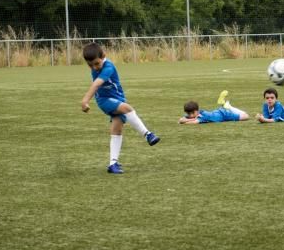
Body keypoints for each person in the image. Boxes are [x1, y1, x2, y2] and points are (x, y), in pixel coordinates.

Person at [80, 42, 160, 175]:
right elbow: (96, 85)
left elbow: (97, 83)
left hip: (118, 98)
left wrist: (86, 100)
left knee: (117, 129)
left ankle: (113, 164)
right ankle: (148, 135)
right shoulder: (101, 67)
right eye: (90, 65)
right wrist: (85, 100)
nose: (94, 68)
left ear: (104, 56)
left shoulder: (109, 67)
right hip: (104, 101)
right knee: (127, 109)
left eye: (96, 64)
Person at [179, 91, 251, 124]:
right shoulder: (195, 114)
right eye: (189, 113)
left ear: (197, 111)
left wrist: (189, 120)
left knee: (246, 116)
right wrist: (189, 119)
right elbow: (180, 120)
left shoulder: (202, 116)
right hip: (218, 112)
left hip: (224, 115)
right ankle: (225, 105)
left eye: (192, 113)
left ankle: (229, 106)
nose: (190, 115)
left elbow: (192, 122)